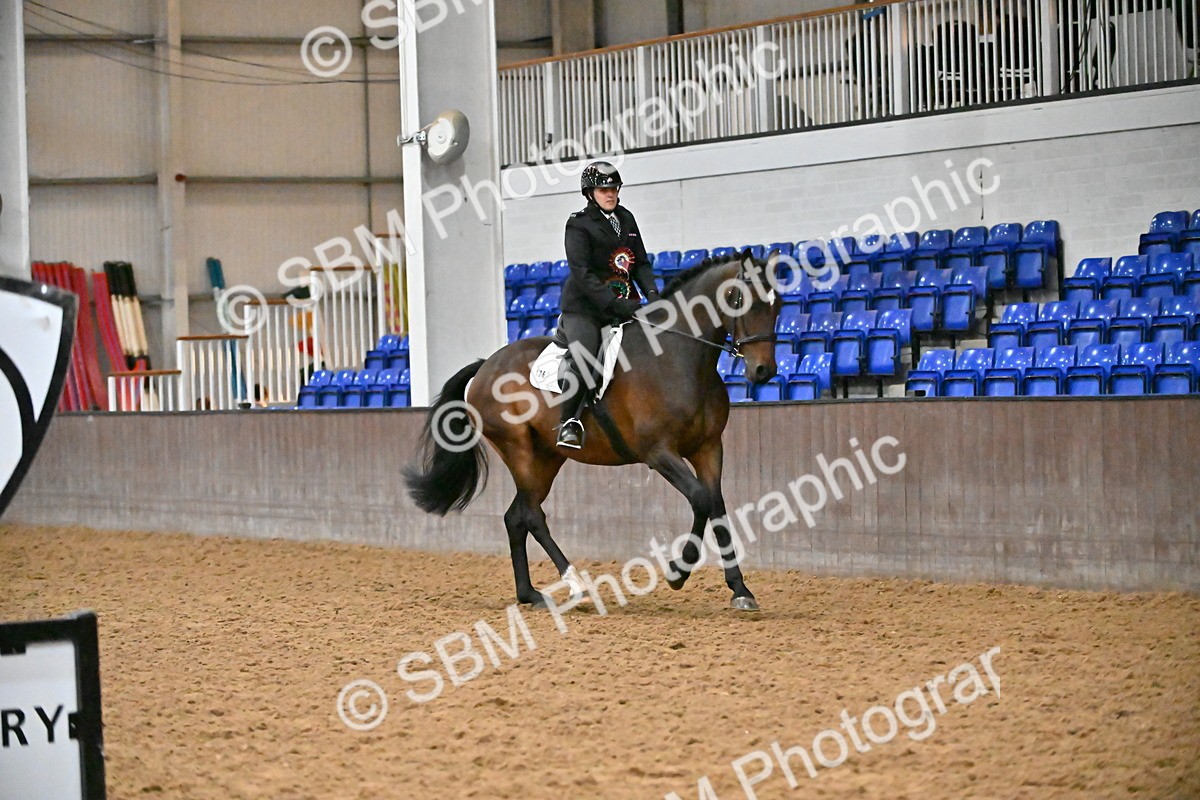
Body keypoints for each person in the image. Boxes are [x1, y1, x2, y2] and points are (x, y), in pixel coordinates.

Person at [555, 160, 660, 449]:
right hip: (585, 308)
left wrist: (652, 293)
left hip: (625, 301)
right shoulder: (578, 224)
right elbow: (582, 273)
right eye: (604, 189)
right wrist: (616, 304)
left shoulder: (626, 218)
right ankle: (569, 422)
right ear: (590, 193)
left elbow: (640, 262)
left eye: (614, 188)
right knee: (586, 355)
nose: (610, 194)